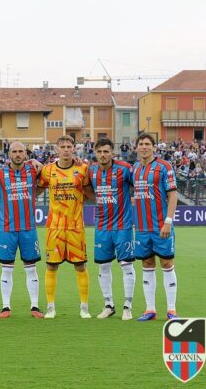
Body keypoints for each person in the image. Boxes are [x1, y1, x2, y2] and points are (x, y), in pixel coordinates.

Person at [37, 135, 92, 319]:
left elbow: (90, 193)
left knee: (80, 266)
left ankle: (84, 307)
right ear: (56, 149)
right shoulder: (47, 170)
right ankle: (51, 307)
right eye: (63, 146)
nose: (66, 149)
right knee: (51, 267)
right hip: (55, 227)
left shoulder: (82, 169)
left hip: (76, 227)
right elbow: (37, 190)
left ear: (74, 149)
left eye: (70, 146)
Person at [86, 138, 136, 321]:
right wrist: (97, 198)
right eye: (99, 152)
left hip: (122, 225)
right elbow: (86, 189)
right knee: (103, 266)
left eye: (106, 151)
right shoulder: (91, 170)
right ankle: (108, 305)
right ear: (94, 153)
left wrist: (133, 199)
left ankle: (127, 306)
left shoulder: (123, 169)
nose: (102, 155)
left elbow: (137, 184)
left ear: (112, 153)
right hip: (102, 226)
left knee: (126, 265)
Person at [0, 141, 45, 319]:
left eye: (20, 151)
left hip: (28, 229)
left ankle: (35, 306)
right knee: (6, 268)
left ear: (26, 154)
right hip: (7, 228)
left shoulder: (34, 169)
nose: (17, 154)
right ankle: (6, 307)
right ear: (8, 154)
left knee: (31, 268)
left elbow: (53, 171)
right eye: (14, 151)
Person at [132, 133, 179, 321]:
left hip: (161, 226)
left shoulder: (164, 167)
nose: (144, 147)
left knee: (167, 263)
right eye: (141, 144)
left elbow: (173, 195)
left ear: (154, 147)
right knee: (147, 264)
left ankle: (172, 310)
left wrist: (168, 221)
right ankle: (150, 310)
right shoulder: (134, 169)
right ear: (136, 148)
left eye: (147, 144)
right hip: (142, 228)